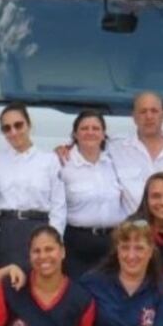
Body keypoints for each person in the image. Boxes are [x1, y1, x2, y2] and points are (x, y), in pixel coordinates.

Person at [0, 103, 66, 269]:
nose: (13, 132)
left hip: (39, 228)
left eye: (18, 125)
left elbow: (58, 205)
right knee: (9, 285)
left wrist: (53, 238)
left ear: (29, 124)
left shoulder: (49, 160)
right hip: (7, 231)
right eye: (7, 128)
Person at [60, 110, 130, 278]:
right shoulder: (63, 164)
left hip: (112, 242)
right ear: (75, 134)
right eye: (84, 128)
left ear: (103, 134)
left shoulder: (115, 163)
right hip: (77, 243)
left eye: (95, 128)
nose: (90, 132)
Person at [107, 92, 163, 213]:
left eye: (154, 111)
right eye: (143, 111)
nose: (149, 116)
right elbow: (88, 146)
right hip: (132, 229)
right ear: (134, 117)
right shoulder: (115, 148)